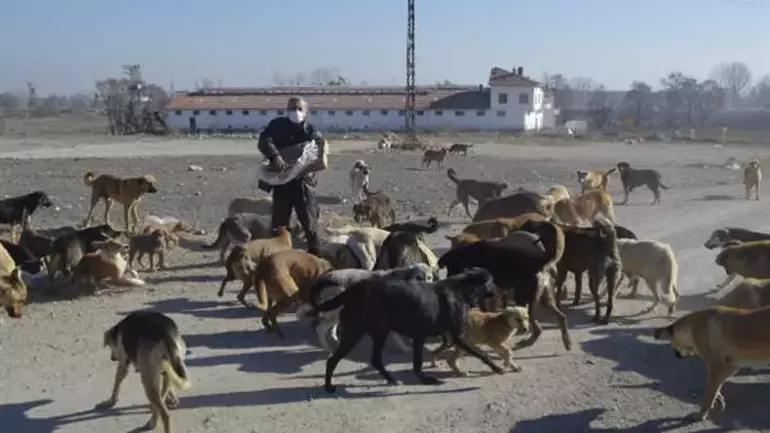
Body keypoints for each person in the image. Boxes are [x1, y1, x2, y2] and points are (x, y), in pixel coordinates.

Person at [257, 97, 327, 255]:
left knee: (310, 224)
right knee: (279, 225)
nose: (295, 112)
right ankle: (277, 257)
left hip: (303, 183)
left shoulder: (311, 130)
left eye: (299, 108)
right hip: (281, 183)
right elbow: (264, 140)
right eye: (292, 108)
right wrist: (275, 155)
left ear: (306, 111)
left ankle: (315, 258)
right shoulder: (277, 125)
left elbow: (319, 144)